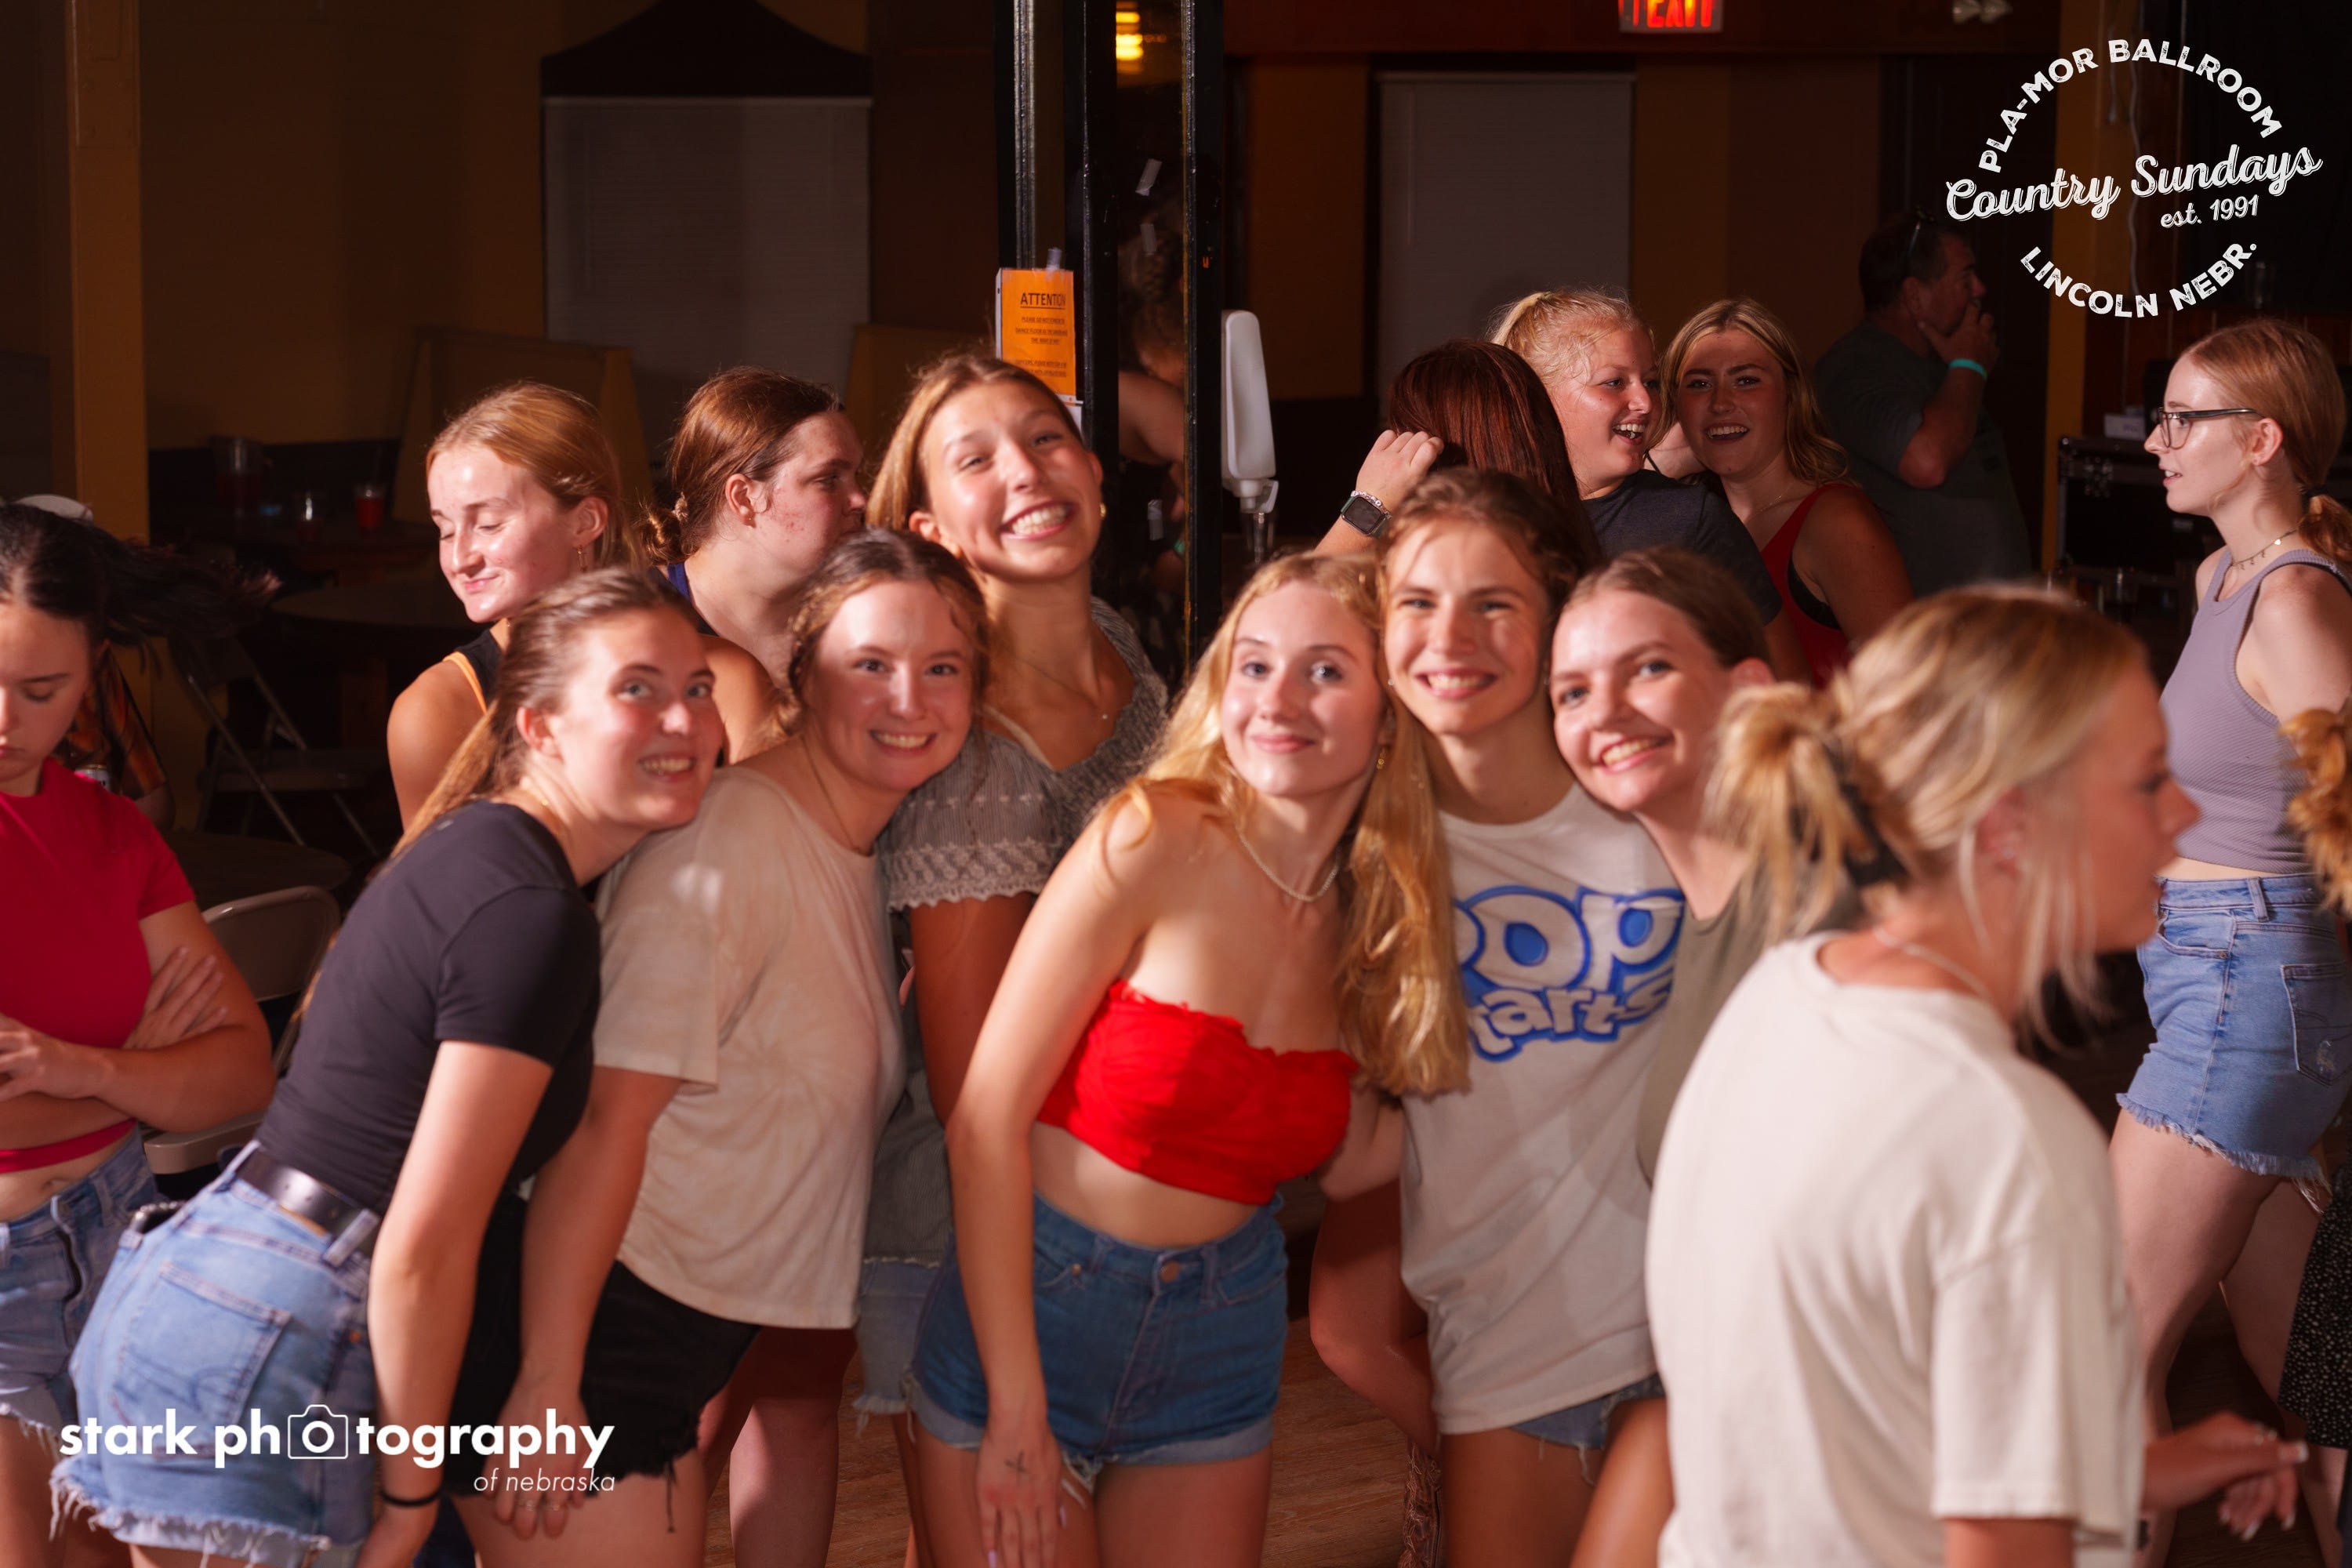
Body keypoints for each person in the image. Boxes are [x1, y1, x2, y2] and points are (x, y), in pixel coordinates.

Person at [57, 569, 723, 1568]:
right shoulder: (531, 915)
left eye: (699, 686)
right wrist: (412, 1500)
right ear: (539, 726)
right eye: (638, 687)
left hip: (198, 1285)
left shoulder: (479, 841)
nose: (684, 718)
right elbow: (423, 1241)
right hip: (271, 1329)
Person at [1650, 585, 2309, 1566]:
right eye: (2147, 780)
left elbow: (1858, 1421)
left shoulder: (1789, 987)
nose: (2184, 814)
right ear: (2009, 827)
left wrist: (2128, 1473)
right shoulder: (2001, 1128)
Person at [444, 532, 984, 1568]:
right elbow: (602, 1126)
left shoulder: (857, 850)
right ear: (805, 671)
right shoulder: (729, 842)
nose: (908, 698)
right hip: (579, 1345)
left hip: (656, 1349)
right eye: (871, 663)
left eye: (943, 666)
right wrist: (549, 1386)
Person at [913, 550, 1461, 1568]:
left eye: (1325, 671)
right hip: (1039, 1307)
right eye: (1254, 665)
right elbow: (983, 1122)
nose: (1278, 700)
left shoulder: (1377, 923)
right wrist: (1017, 1409)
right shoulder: (1151, 834)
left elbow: (1354, 1161)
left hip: (1222, 1331)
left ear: (1392, 714)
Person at [1312, 470, 1682, 1566]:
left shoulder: (1648, 801)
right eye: (1419, 603)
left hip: (1695, 1332)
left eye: (1495, 603)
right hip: (1502, 1348)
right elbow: (1352, 1157)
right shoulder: (1363, 850)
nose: (1452, 637)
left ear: (1555, 617)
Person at [863, 351, 1170, 1567]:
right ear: (932, 531)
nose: (1027, 473)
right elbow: (973, 1087)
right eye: (977, 459)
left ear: (1094, 469)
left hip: (1113, 1204)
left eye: (1045, 440)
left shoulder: (1118, 645)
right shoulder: (975, 752)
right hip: (982, 1235)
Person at [2109, 317, 2352, 1565]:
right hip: (2215, 981)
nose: (2156, 440)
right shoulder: (2223, 580)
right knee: (2310, 1365)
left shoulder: (2298, 598)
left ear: (2261, 440)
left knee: (2100, 1356)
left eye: (2182, 418)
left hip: (2245, 990)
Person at [0, 503, 276, 1568]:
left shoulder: (114, 832)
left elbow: (241, 1072)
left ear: (93, 675)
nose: (7, 718)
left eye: (42, 689)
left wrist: (77, 1068)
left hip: (127, 1240)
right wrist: (143, 1072)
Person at [388, 383, 768, 825]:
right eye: (446, 530)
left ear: (585, 521)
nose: (459, 560)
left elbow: (774, 853)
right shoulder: (436, 709)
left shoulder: (728, 679)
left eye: (488, 524)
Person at [1490, 288, 1809, 682]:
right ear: (1538, 395)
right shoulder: (1488, 515)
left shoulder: (1689, 521)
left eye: (1651, 382)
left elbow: (1785, 689)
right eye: (1614, 383)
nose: (1645, 402)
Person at [1667, 297, 1912, 685]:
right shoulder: (1695, 525)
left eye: (1746, 380)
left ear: (1791, 394)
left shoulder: (1835, 521)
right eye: (1699, 385)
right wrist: (1665, 463)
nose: (1720, 403)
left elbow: (1910, 691)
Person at [1813, 210, 2034, 594]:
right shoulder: (1854, 368)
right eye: (1965, 277)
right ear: (1915, 296)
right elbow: (1926, 462)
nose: (1980, 289)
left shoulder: (1940, 367)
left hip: (1983, 616)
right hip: (1926, 621)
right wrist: (1969, 365)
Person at [647, 367, 869, 682]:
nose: (860, 499)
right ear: (744, 499)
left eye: (856, 476)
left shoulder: (863, 620)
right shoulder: (631, 625)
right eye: (828, 479)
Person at [1316, 339, 1600, 572]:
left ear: (1429, 455)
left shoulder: (1434, 573)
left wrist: (1370, 504)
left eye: (1401, 431)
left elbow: (1296, 607)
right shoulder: (1573, 555)